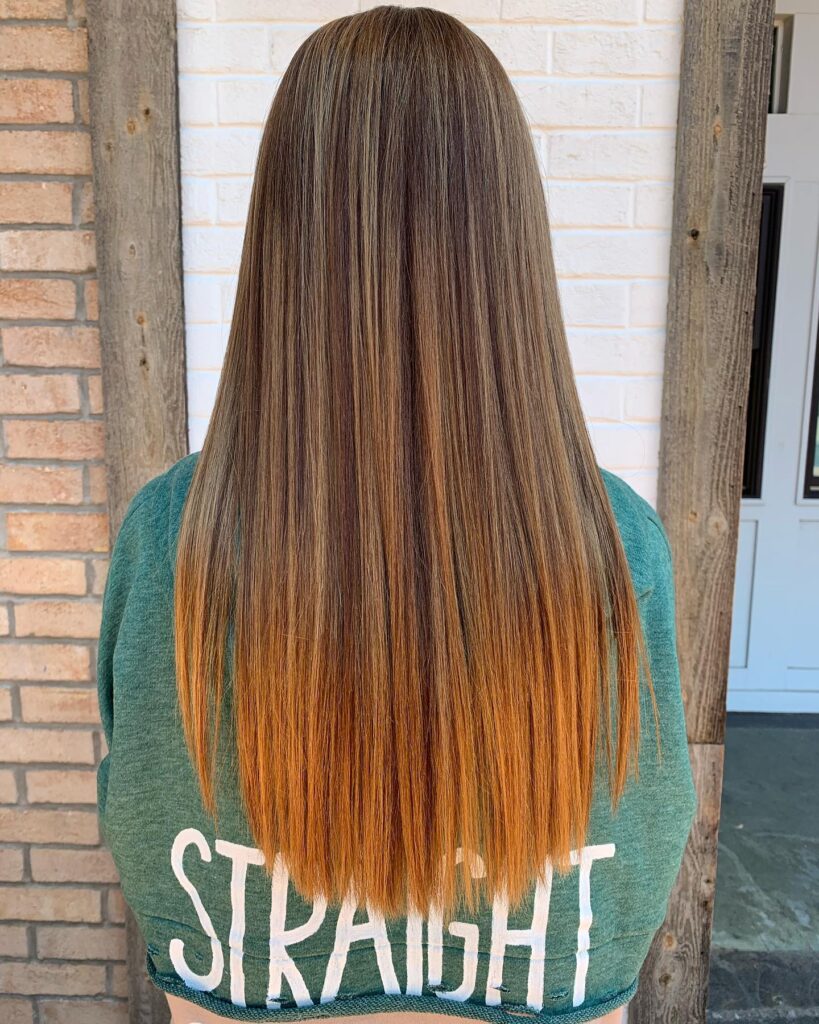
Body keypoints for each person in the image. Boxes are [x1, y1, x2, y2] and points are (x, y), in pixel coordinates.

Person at [95, 6, 697, 1024]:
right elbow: (609, 956)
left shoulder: (166, 545)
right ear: (507, 247)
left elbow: (166, 908)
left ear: (281, 238)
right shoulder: (617, 552)